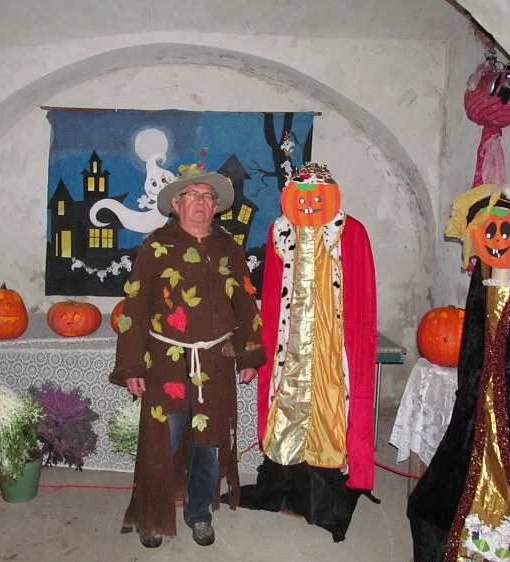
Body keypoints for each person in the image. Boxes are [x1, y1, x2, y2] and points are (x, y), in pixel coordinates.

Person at [408, 184, 510, 561]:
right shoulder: (483, 270)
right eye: (488, 230)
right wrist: (467, 387)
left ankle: (502, 532)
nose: (496, 238)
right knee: (462, 460)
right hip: (477, 387)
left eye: (505, 229)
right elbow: (472, 335)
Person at [109, 163, 266, 548]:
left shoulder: (229, 248)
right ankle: (151, 516)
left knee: (208, 444)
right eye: (192, 195)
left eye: (207, 196)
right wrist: (132, 364)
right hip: (166, 361)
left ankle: (199, 514)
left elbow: (246, 302)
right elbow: (135, 307)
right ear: (177, 204)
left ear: (216, 206)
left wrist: (248, 355)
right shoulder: (155, 246)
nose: (200, 202)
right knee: (161, 441)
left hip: (215, 361)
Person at [232, 162, 378, 542]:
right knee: (287, 406)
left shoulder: (351, 232)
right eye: (302, 196)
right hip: (289, 344)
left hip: (331, 347)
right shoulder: (280, 231)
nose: (310, 202)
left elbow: (362, 297)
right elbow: (270, 293)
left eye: (318, 196)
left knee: (327, 409)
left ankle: (322, 492)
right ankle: (283, 484)